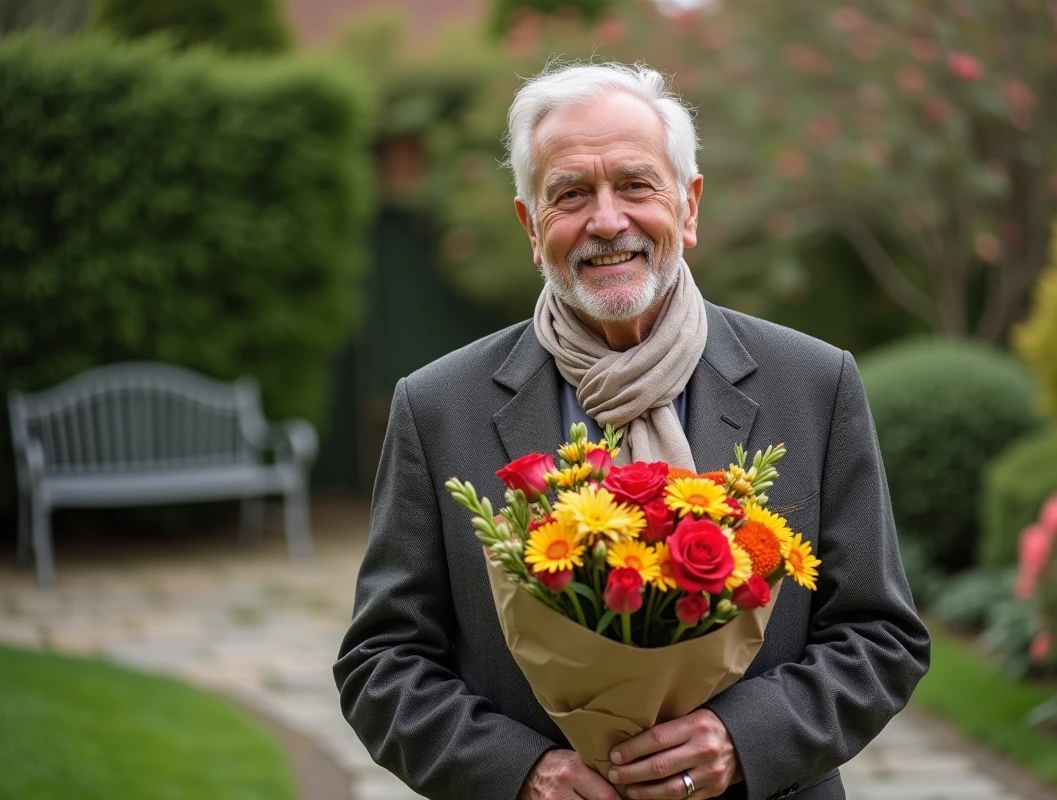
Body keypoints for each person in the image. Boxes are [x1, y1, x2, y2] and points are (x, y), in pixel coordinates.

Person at [334, 61, 929, 800]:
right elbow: (381, 664)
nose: (607, 220)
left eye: (635, 184)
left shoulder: (811, 384)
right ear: (531, 225)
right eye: (571, 193)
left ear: (688, 205)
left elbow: (882, 638)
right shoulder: (437, 408)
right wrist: (520, 773)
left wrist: (742, 739)